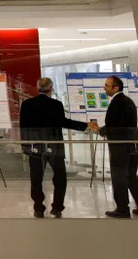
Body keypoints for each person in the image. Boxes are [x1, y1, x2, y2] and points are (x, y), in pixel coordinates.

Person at [19, 77, 88, 218]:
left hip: (35, 147)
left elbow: (23, 126)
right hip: (54, 145)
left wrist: (25, 145)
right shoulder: (56, 104)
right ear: (51, 89)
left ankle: (38, 207)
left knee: (36, 177)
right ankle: (57, 207)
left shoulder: (27, 104)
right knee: (60, 176)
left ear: (38, 89)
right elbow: (63, 122)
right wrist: (85, 126)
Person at [90, 76, 138, 218]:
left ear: (116, 87)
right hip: (130, 146)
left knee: (119, 177)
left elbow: (115, 127)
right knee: (130, 176)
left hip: (119, 146)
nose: (104, 88)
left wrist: (100, 130)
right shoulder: (127, 101)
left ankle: (122, 208)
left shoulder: (117, 103)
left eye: (107, 85)